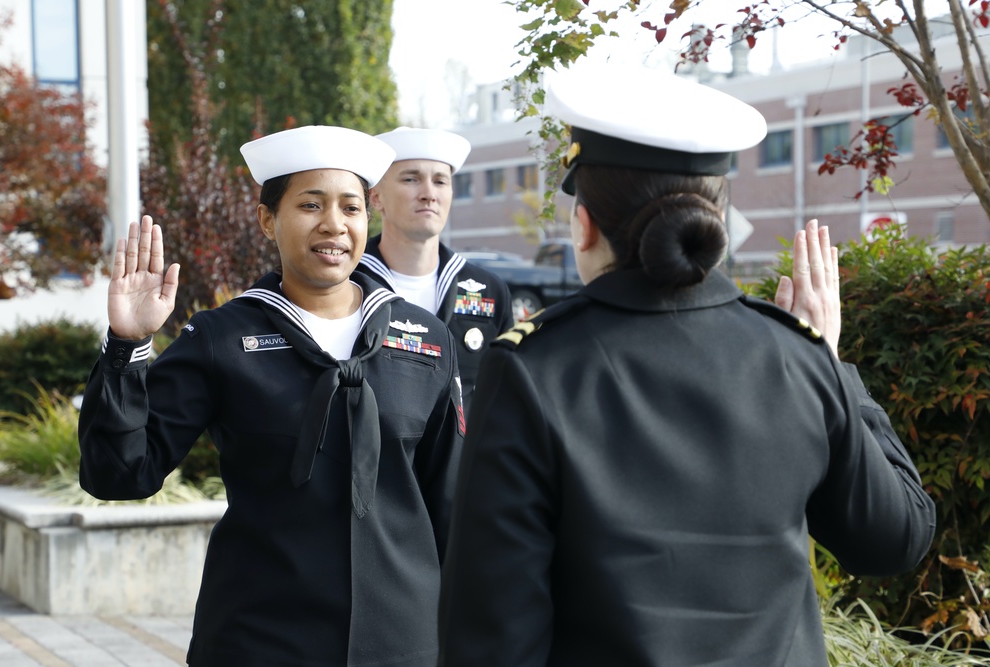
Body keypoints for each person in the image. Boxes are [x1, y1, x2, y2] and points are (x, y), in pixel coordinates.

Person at [436, 62, 936, 667]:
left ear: (585, 223)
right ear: (716, 220)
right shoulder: (795, 357)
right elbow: (895, 540)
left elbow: (491, 634)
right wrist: (832, 364)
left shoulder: (533, 369)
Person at [77, 125, 466, 667]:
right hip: (260, 640)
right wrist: (127, 346)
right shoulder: (221, 338)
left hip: (402, 643)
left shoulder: (425, 339)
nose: (334, 224)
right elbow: (119, 475)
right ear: (267, 219)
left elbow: (451, 502)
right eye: (310, 204)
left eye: (351, 208)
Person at [358, 126, 513, 408]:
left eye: (440, 181)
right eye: (411, 179)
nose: (429, 194)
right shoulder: (349, 283)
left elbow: (505, 396)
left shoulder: (489, 290)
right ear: (376, 196)